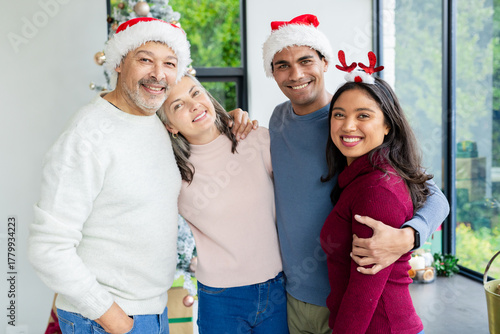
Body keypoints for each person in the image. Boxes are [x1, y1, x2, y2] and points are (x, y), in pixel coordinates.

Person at [28, 17, 255, 334]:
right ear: (120, 63)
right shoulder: (85, 137)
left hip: (153, 312)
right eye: (145, 59)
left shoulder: (155, 121)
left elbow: (202, 140)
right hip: (105, 321)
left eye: (169, 63)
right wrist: (117, 322)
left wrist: (232, 119)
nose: (159, 74)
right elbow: (47, 249)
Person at [261, 14, 450, 333]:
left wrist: (408, 236)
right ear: (272, 72)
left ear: (324, 62)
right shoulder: (278, 119)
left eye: (306, 61)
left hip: (346, 298)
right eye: (282, 65)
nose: (296, 74)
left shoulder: (352, 125)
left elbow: (434, 196)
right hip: (291, 296)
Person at [157, 74, 288, 334]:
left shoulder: (256, 139)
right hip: (221, 298)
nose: (193, 105)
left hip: (278, 288)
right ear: (170, 126)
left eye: (195, 93)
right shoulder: (171, 173)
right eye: (178, 105)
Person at [321, 51, 427, 333]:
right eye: (339, 115)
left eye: (363, 116)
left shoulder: (377, 189)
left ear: (387, 125)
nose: (347, 126)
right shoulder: (360, 176)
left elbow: (362, 296)